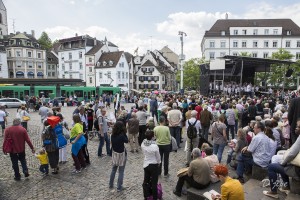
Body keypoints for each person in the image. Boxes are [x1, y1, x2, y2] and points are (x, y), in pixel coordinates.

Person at [263, 119, 300, 199]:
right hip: (296, 167)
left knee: (272, 167)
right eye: (297, 126)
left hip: (297, 170)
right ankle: (286, 186)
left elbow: (291, 154)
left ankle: (273, 192)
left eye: (298, 127)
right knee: (280, 162)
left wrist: (283, 163)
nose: (296, 128)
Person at [109, 121, 129, 192]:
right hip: (122, 154)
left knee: (113, 169)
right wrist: (124, 133)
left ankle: (111, 184)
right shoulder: (122, 136)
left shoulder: (112, 135)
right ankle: (119, 187)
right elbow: (127, 141)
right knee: (121, 171)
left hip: (114, 153)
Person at [142, 130, 161, 200]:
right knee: (154, 183)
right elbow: (158, 157)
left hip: (146, 164)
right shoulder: (155, 146)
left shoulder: (143, 143)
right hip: (153, 165)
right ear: (152, 137)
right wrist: (159, 163)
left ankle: (146, 196)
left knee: (146, 182)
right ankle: (155, 198)